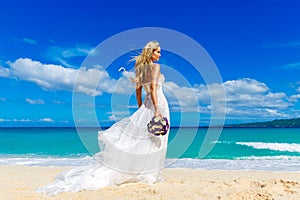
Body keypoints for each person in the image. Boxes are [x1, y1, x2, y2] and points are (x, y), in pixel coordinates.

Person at [36, 40, 170, 196]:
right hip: (157, 103)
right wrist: (157, 110)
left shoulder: (140, 69)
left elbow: (138, 92)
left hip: (146, 105)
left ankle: (146, 172)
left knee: (144, 139)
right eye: (158, 51)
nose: (160, 54)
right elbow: (153, 88)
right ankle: (149, 173)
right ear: (151, 52)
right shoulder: (156, 67)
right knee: (154, 140)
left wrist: (141, 108)